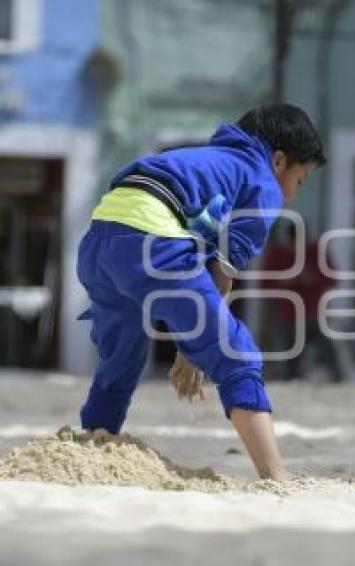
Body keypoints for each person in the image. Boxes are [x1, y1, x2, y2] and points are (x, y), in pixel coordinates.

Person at [76, 103, 324, 480]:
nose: (291, 195)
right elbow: (223, 271)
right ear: (278, 161)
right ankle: (276, 476)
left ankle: (90, 448)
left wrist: (191, 340)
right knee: (236, 354)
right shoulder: (262, 182)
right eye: (300, 180)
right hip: (150, 237)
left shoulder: (207, 160)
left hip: (98, 241)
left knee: (121, 358)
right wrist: (195, 348)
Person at [261, 221, 346, 381]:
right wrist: (285, 281)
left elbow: (332, 278)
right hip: (288, 314)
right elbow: (265, 284)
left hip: (316, 312)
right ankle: (290, 380)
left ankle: (340, 379)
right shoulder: (278, 254)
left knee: (331, 349)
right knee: (290, 356)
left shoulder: (316, 252)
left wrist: (310, 278)